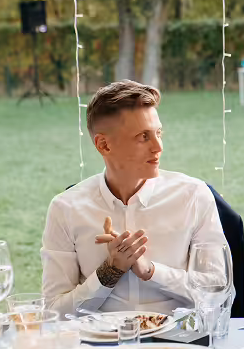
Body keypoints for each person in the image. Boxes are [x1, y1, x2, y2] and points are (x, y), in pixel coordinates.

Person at [41, 80, 230, 316]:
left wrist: (151, 271)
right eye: (143, 136)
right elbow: (53, 312)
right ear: (104, 145)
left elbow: (217, 292)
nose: (158, 146)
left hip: (178, 346)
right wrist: (109, 272)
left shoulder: (193, 196)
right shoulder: (66, 209)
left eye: (158, 133)